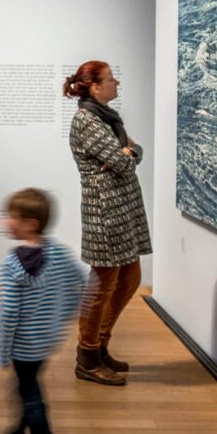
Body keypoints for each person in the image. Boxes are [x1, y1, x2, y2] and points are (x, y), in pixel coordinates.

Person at [63, 60, 152, 386]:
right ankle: (87, 357)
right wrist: (126, 154)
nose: (118, 84)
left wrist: (129, 152)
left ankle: (100, 345)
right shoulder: (87, 121)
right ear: (96, 87)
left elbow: (133, 152)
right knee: (102, 284)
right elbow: (122, 162)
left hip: (121, 209)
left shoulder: (107, 118)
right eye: (112, 79)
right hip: (105, 213)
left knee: (130, 278)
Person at [0, 188, 87, 434]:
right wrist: (65, 317)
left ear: (30, 223)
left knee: (31, 398)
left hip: (24, 347)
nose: (6, 221)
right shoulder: (60, 253)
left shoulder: (13, 264)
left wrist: (3, 351)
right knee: (25, 390)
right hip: (46, 342)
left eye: (11, 216)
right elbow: (83, 282)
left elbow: (9, 313)